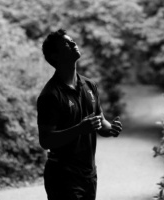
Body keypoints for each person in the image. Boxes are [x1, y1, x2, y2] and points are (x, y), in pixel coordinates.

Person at [37, 29, 123, 200]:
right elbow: (45, 140)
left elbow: (100, 122)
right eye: (67, 44)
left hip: (89, 174)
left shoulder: (89, 86)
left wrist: (110, 129)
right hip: (63, 176)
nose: (73, 44)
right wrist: (79, 129)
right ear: (55, 56)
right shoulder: (51, 95)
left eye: (72, 41)